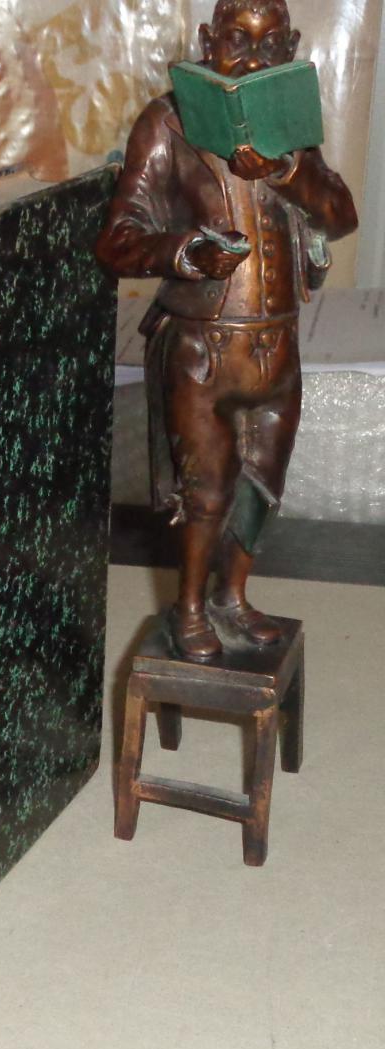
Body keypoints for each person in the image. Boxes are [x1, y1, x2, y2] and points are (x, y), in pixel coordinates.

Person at [96, 0, 358, 662]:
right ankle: (188, 606)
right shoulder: (168, 122)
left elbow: (341, 215)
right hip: (204, 349)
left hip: (277, 344)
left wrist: (288, 172)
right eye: (237, 40)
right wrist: (186, 252)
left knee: (262, 484)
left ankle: (231, 597)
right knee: (205, 490)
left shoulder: (288, 128)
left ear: (289, 50)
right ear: (208, 40)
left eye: (270, 46)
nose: (252, 59)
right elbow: (118, 238)